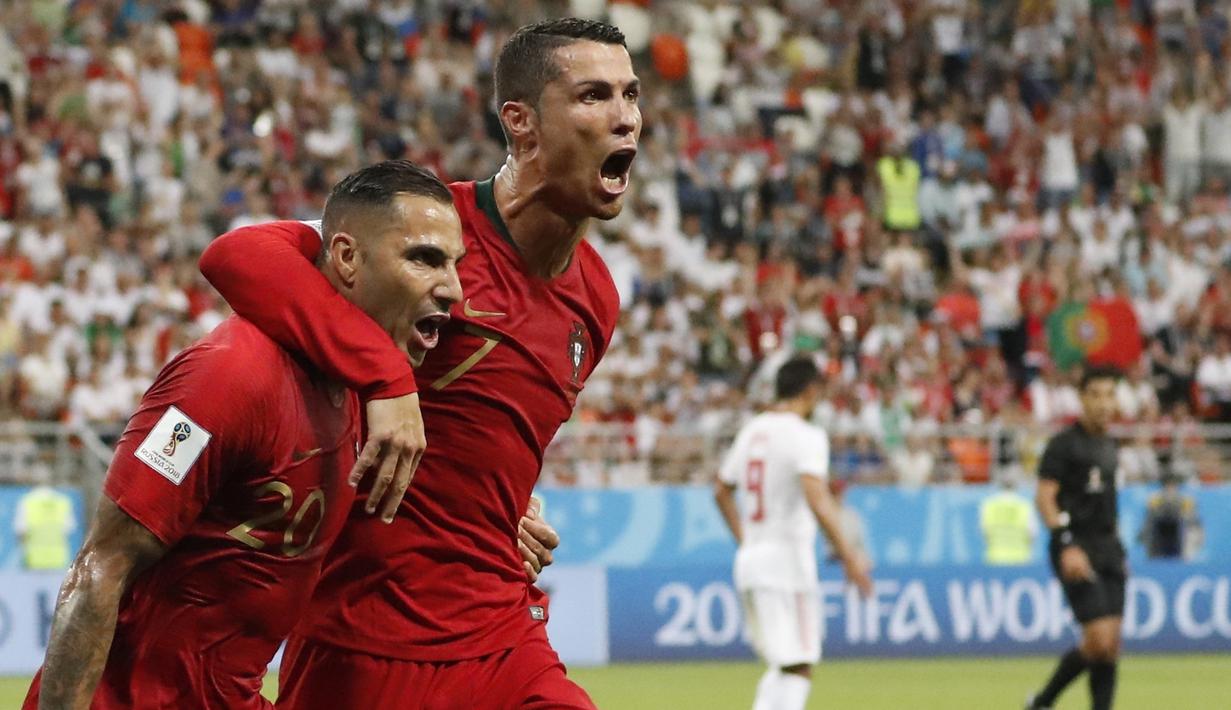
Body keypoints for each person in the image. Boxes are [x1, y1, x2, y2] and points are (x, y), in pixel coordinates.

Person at [197, 18, 638, 708]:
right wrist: (385, 375)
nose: (625, 119)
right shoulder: (427, 231)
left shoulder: (597, 299)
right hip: (364, 637)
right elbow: (237, 254)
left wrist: (512, 505)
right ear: (520, 123)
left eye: (630, 95)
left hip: (502, 631)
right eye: (593, 96)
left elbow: (486, 435)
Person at [23, 160, 471, 709]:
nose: (453, 289)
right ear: (348, 258)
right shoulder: (231, 376)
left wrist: (504, 518)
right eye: (424, 258)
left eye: (454, 264)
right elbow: (101, 567)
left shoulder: (363, 394)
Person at [714, 357, 873, 710]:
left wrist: (747, 539)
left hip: (751, 562)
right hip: (787, 564)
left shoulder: (753, 430)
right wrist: (850, 557)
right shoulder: (806, 436)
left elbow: (721, 490)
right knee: (799, 664)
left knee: (784, 665)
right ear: (811, 390)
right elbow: (817, 499)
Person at [1026, 366, 1127, 710]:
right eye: (1095, 394)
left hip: (1108, 546)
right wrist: (1066, 542)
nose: (1103, 403)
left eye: (1109, 394)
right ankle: (1042, 701)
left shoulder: (1110, 446)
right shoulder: (1063, 445)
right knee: (1098, 639)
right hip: (1076, 544)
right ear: (1082, 398)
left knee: (1110, 644)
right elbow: (1044, 497)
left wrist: (1118, 547)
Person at [1138, 468, 1203, 559]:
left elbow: (1193, 520)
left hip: (1179, 533)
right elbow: (1148, 520)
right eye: (1168, 485)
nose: (1170, 488)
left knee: (1191, 530)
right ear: (1163, 486)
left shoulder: (1186, 500)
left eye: (1173, 485)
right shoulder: (1155, 499)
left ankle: (1185, 560)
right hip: (1160, 534)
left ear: (1177, 486)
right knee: (1150, 528)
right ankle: (1153, 558)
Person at [13, 484, 77, 570]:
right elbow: (69, 529)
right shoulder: (63, 502)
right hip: (58, 560)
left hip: (33, 560)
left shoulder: (27, 502)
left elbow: (21, 531)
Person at [980, 471, 1038, 566]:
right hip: (1021, 559)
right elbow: (1032, 533)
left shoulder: (989, 505)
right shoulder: (1023, 505)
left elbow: (985, 532)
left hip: (995, 558)